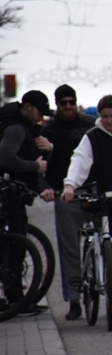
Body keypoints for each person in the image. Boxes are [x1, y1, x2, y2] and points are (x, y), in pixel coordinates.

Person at [61, 95, 112, 325]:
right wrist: (70, 185)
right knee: (108, 236)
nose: (108, 121)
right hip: (104, 197)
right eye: (104, 117)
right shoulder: (92, 136)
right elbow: (79, 160)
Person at [41, 84, 96, 321]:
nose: (67, 107)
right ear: (56, 105)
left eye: (71, 102)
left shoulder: (89, 125)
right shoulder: (48, 129)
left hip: (93, 189)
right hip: (65, 192)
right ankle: (74, 299)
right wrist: (44, 186)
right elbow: (40, 162)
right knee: (69, 249)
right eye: (63, 103)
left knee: (109, 238)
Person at [0, 90, 56, 314]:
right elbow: (5, 157)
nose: (40, 118)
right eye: (39, 112)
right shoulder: (16, 128)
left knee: (16, 242)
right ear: (28, 106)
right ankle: (15, 299)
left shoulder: (21, 126)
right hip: (8, 197)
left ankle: (17, 297)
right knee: (15, 245)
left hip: (13, 195)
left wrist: (45, 153)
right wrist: (35, 166)